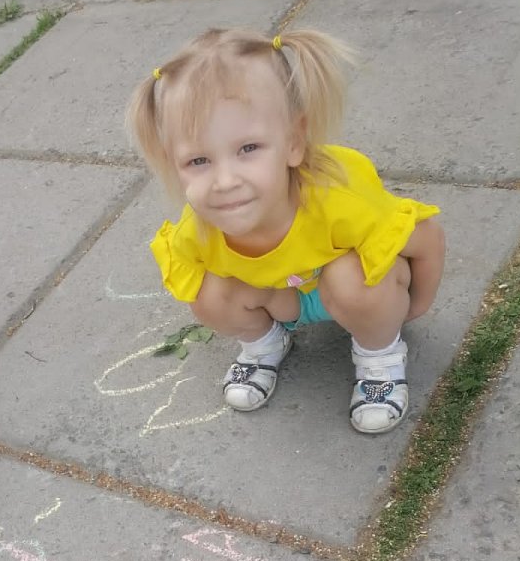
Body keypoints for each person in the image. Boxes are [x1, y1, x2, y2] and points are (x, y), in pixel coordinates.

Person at [126, 27, 445, 433]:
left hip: (350, 291)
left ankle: (380, 355)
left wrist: (415, 307)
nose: (224, 181)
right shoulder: (200, 229)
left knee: (351, 278)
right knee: (207, 295)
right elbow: (198, 286)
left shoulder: (336, 198)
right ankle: (264, 344)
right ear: (174, 164)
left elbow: (426, 236)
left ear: (294, 141)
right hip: (283, 300)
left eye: (248, 149)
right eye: (198, 160)